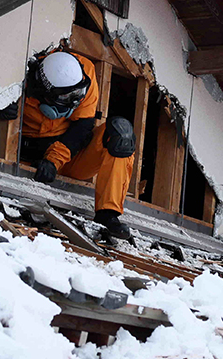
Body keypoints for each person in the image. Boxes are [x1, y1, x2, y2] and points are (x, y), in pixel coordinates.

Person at [21, 50, 137, 242]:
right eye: (66, 97)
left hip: (70, 155)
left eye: (77, 94)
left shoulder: (87, 71)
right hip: (25, 152)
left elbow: (82, 128)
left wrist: (53, 160)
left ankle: (107, 214)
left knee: (121, 133)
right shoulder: (19, 78)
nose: (74, 101)